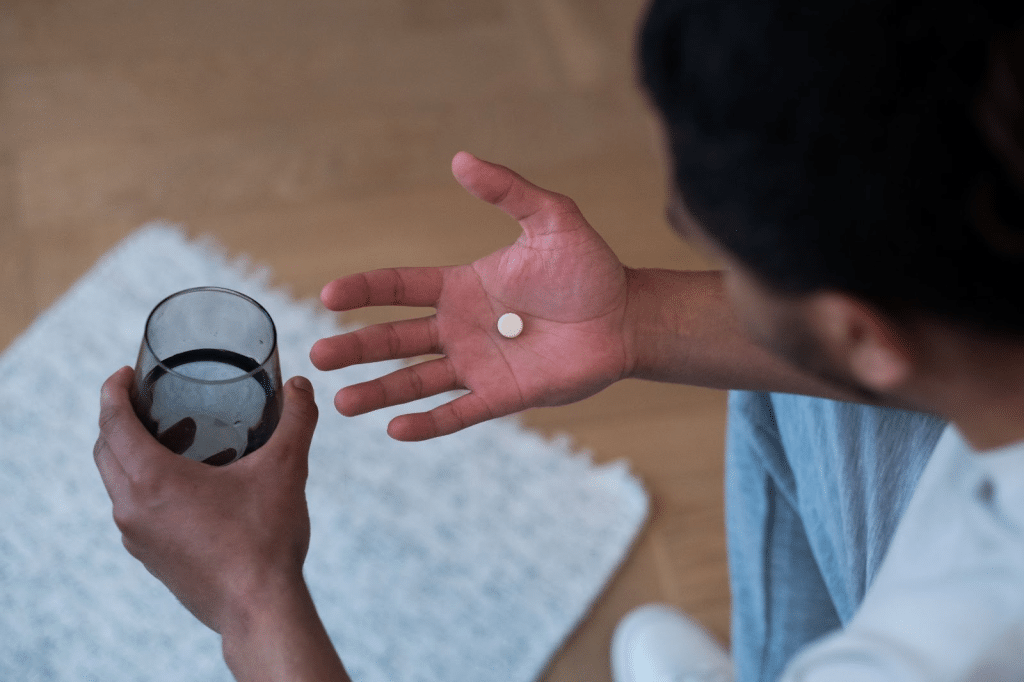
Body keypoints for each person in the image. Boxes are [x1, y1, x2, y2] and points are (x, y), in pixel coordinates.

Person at [92, 0, 1024, 679]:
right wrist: (638, 316)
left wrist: (250, 600)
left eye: (726, 258)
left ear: (864, 330)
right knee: (809, 399)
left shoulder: (948, 646)